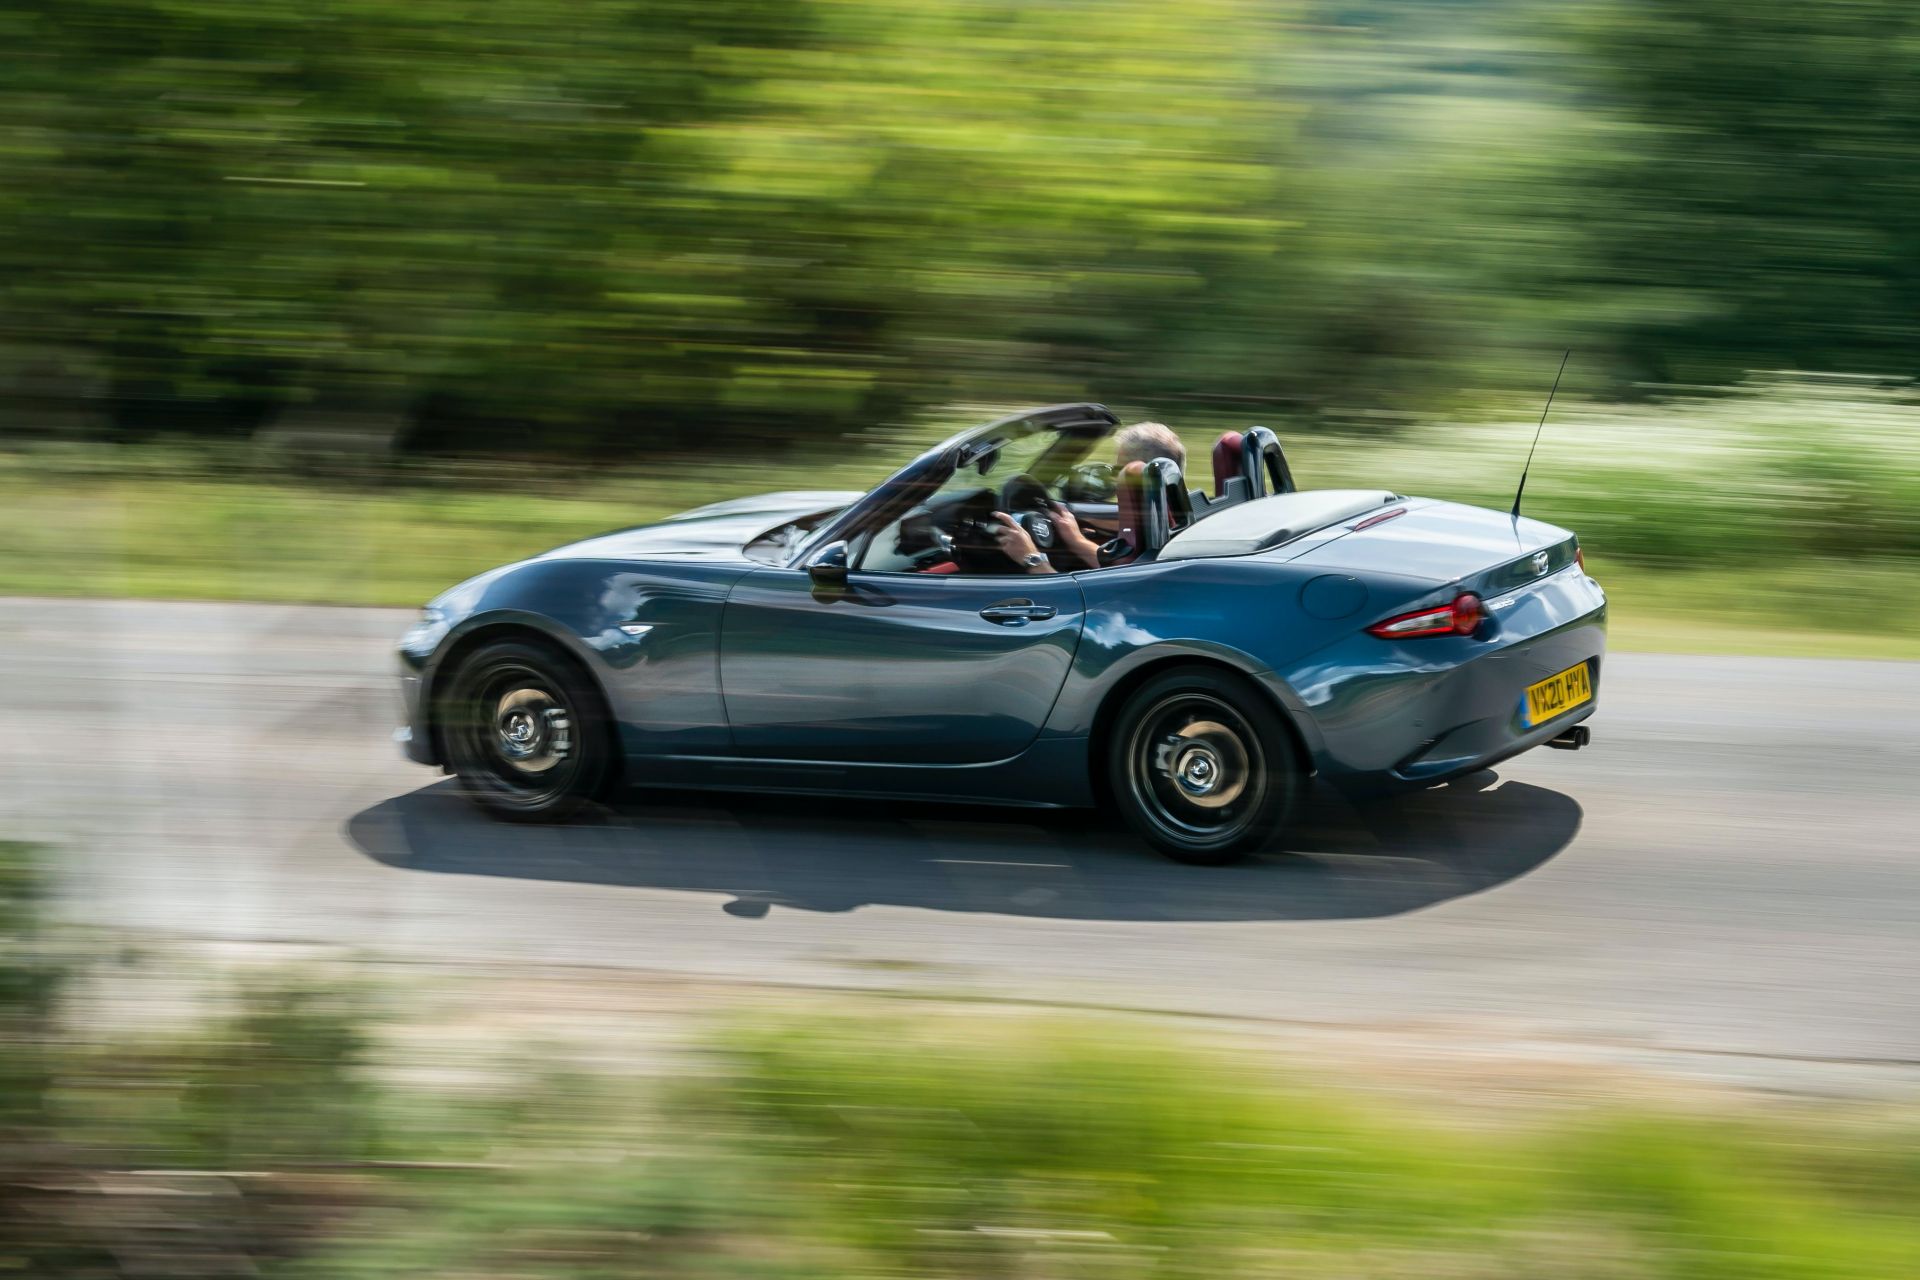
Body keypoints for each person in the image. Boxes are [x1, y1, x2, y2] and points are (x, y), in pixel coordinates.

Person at [990, 421, 1186, 573]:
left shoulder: (1162, 541)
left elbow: (1116, 580)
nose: (1115, 477)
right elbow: (1120, 565)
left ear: (1144, 474)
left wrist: (1031, 558)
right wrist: (1076, 539)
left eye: (1119, 469)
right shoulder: (1173, 520)